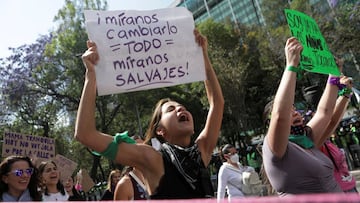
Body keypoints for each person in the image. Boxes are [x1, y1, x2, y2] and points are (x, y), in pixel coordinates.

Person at [75, 29, 224, 199]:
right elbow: (85, 134)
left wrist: (202, 54)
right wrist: (91, 75)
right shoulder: (151, 158)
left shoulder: (201, 152)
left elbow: (217, 103)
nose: (180, 109)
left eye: (181, 106)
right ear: (160, 130)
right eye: (170, 109)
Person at [262, 37, 343, 196]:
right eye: (289, 111)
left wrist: (335, 73)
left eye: (295, 109)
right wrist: (291, 65)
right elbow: (280, 115)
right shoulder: (275, 149)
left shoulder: (307, 140)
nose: (295, 112)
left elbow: (325, 112)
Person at [114, 136, 149, 200]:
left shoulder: (157, 178)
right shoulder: (124, 185)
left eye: (144, 148)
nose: (142, 153)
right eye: (137, 149)